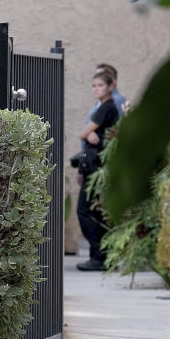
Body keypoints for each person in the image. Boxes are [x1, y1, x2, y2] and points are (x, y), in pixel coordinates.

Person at [75, 66, 120, 271]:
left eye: (100, 85)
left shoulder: (107, 107)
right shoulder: (104, 106)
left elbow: (84, 133)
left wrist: (87, 135)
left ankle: (99, 255)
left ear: (111, 86)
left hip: (97, 168)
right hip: (96, 167)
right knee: (95, 211)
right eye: (94, 86)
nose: (96, 89)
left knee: (85, 210)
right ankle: (101, 255)